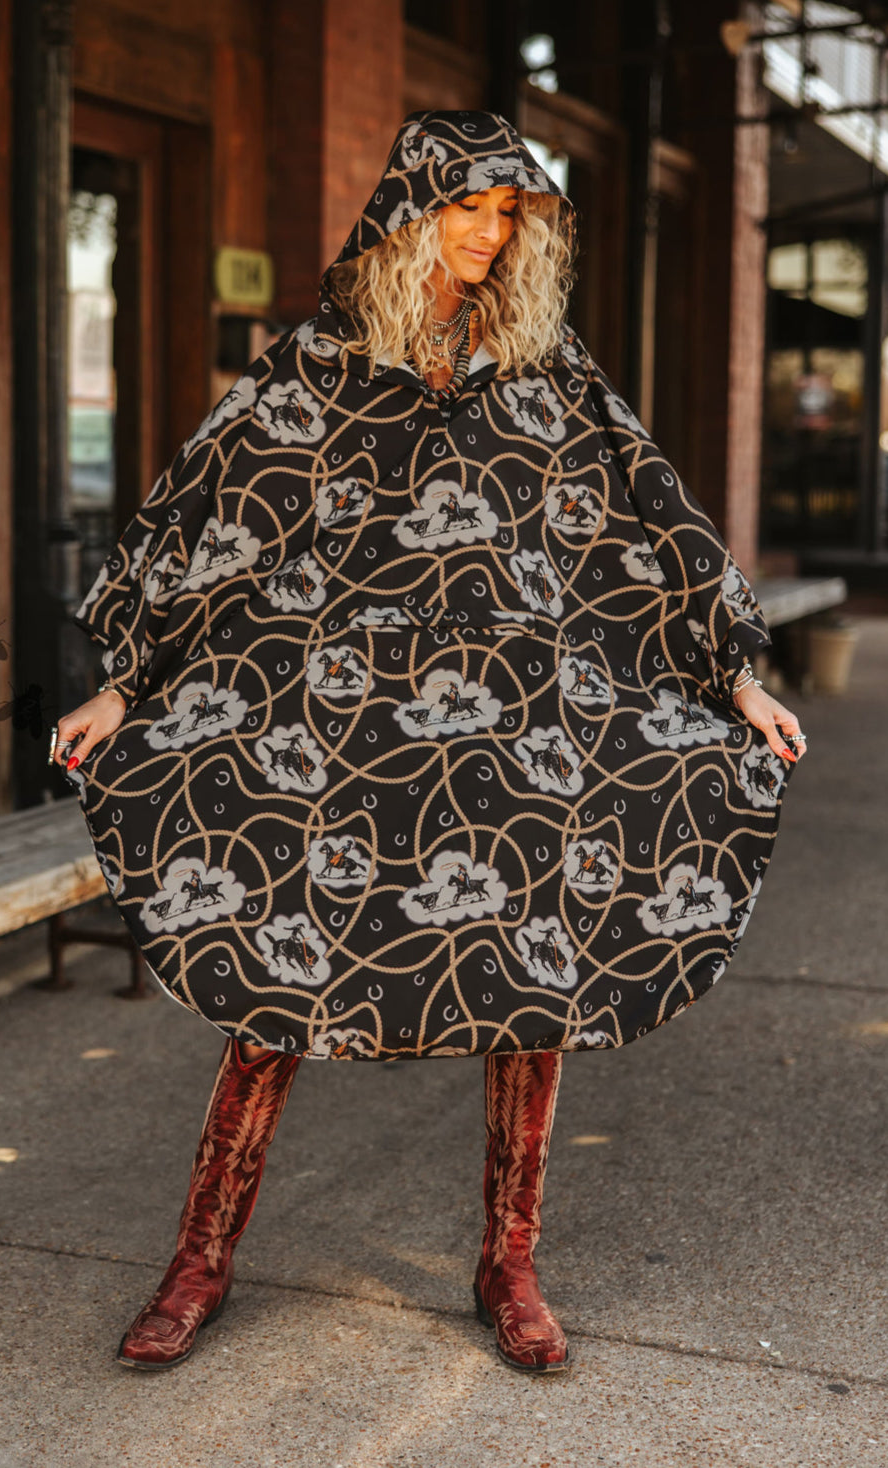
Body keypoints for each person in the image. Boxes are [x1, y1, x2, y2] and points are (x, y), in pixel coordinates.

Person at [53, 111, 805, 1376]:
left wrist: (733, 674)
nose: (489, 232)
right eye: (468, 207)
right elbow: (213, 515)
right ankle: (200, 1259)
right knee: (273, 977)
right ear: (411, 211)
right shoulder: (323, 361)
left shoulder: (541, 363)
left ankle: (508, 1262)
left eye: (510, 213)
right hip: (342, 729)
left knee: (536, 979)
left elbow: (644, 510)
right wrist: (127, 682)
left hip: (515, 726)